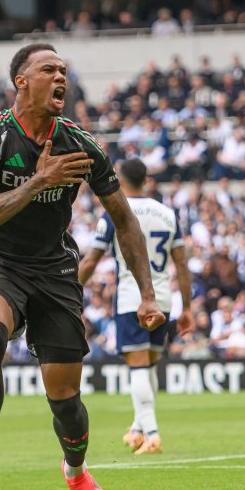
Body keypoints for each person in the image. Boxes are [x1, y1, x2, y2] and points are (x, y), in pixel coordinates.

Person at [0, 43, 165, 490]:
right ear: (21, 81)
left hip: (55, 270)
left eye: (64, 71)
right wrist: (36, 181)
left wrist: (147, 293)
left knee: (64, 396)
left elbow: (124, 219)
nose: (61, 78)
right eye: (49, 70)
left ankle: (76, 473)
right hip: (0, 260)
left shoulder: (81, 142)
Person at [78, 158, 194, 455]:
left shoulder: (116, 211)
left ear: (120, 178)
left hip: (134, 298)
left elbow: (91, 260)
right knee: (150, 364)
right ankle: (138, 429)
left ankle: (152, 434)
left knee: (138, 366)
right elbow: (181, 265)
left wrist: (68, 289)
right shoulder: (167, 214)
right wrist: (188, 308)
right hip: (163, 299)